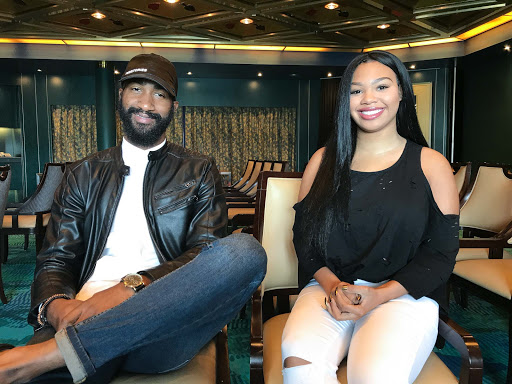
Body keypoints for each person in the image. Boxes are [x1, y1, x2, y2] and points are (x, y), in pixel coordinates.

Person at [0, 53, 267, 384]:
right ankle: (73, 349)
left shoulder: (198, 169)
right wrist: (55, 307)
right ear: (120, 98)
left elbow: (205, 255)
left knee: (246, 251)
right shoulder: (83, 173)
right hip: (84, 310)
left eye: (159, 94)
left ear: (173, 106)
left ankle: (52, 355)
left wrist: (132, 288)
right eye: (136, 89)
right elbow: (55, 259)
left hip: (164, 319)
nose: (146, 103)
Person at [281, 51, 459, 384]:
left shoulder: (431, 164)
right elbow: (304, 239)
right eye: (355, 90)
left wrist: (378, 295)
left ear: (402, 92)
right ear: (344, 99)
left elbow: (440, 254)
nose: (368, 99)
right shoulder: (321, 162)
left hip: (403, 295)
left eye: (381, 86)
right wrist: (333, 285)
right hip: (329, 289)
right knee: (299, 366)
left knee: (375, 376)